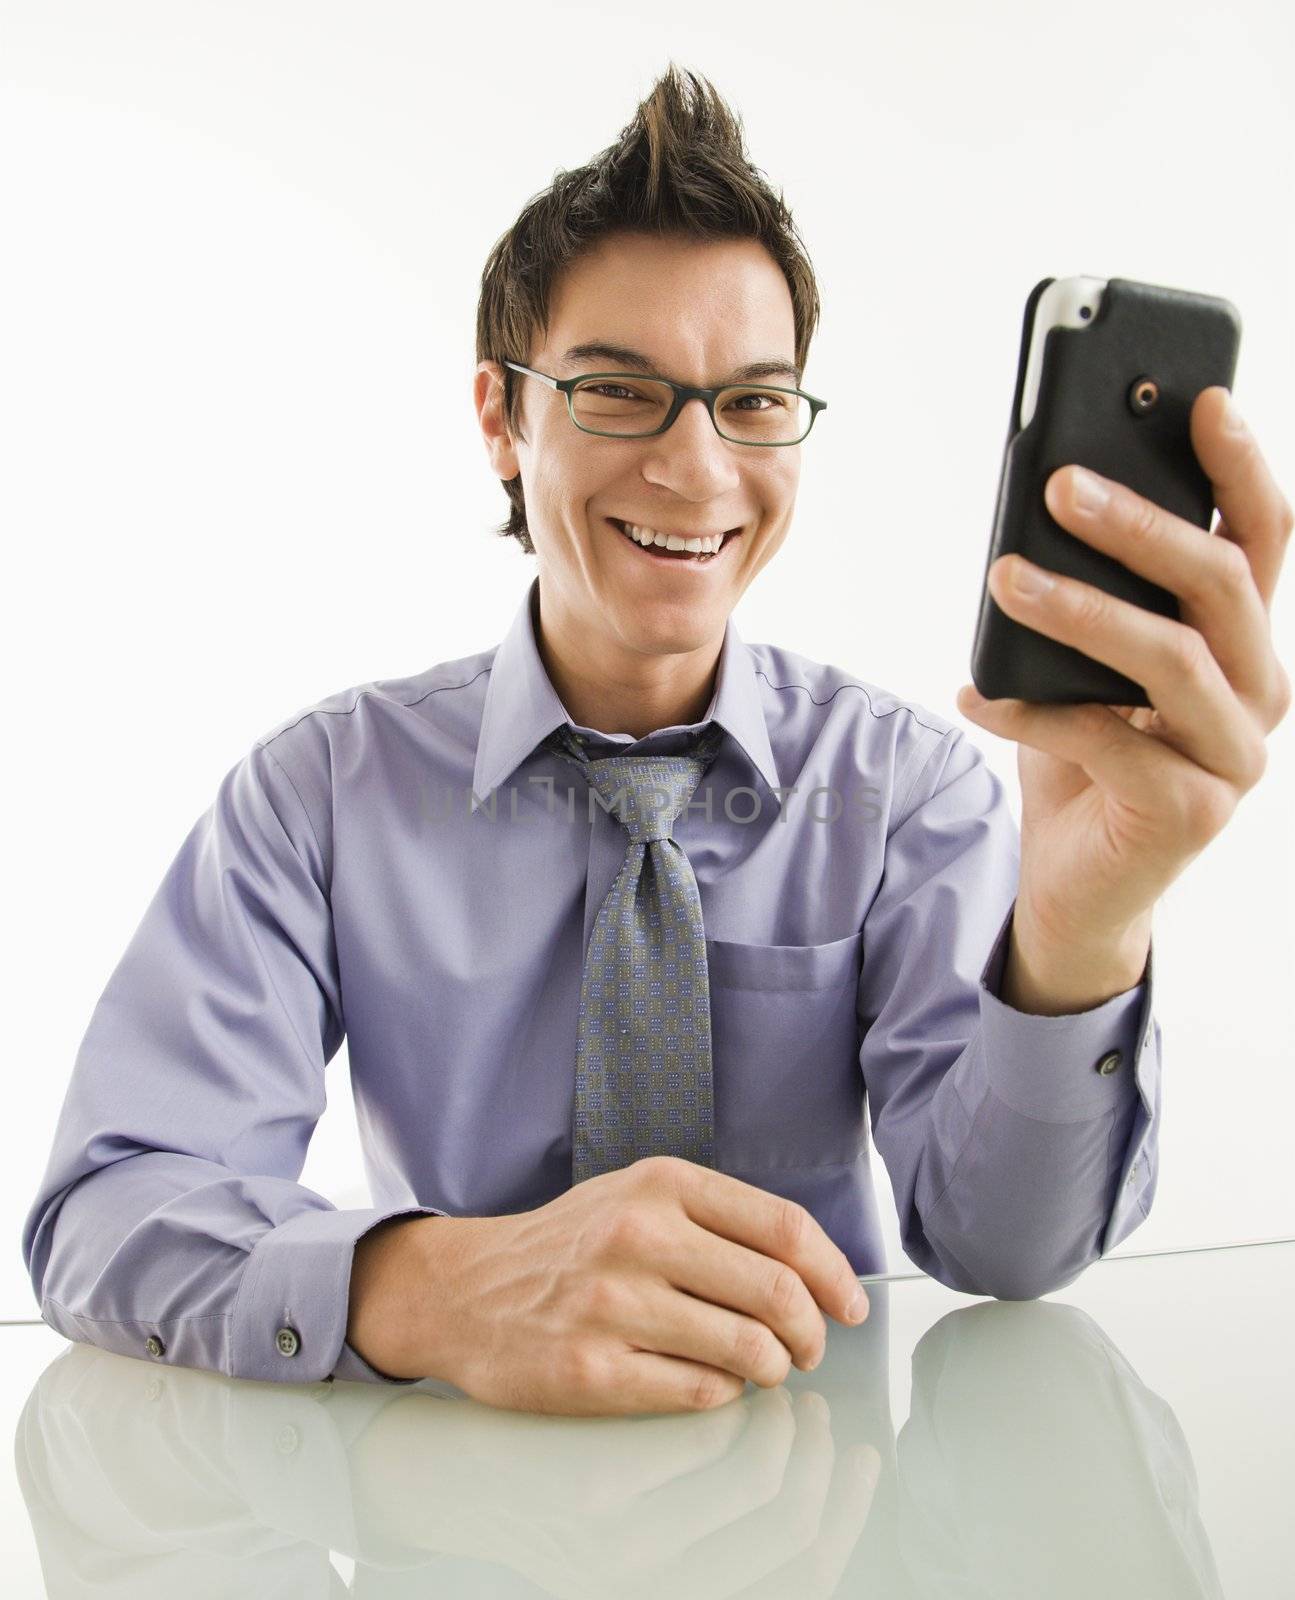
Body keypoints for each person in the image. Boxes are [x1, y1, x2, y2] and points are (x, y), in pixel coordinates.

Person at [21, 65, 1290, 1418]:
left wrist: (1086, 933)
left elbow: (1003, 1248)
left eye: (752, 402)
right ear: (502, 421)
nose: (697, 470)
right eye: (620, 393)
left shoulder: (908, 792)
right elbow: (109, 1213)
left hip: (830, 1519)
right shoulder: (321, 796)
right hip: (446, 1502)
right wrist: (439, 1289)